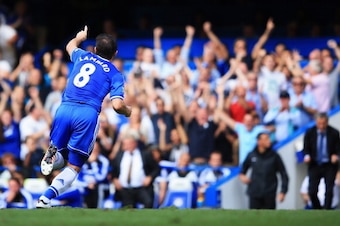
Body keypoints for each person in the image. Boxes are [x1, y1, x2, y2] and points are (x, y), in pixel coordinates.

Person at [36, 25, 132, 208]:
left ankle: (52, 154)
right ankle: (45, 198)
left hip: (64, 108)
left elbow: (69, 46)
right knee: (74, 165)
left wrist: (80, 37)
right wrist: (128, 111)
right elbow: (117, 105)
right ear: (115, 53)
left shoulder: (83, 56)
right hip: (87, 113)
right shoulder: (115, 73)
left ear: (95, 49)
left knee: (60, 155)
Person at [239, 132, 289, 209]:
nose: (269, 141)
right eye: (266, 139)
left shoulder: (274, 156)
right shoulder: (252, 155)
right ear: (259, 141)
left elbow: (283, 174)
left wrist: (283, 191)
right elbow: (243, 169)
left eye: (269, 139)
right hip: (254, 193)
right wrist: (242, 176)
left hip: (270, 194)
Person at [111, 131, 160, 208]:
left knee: (148, 203)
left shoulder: (145, 155)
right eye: (124, 143)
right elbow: (113, 171)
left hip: (142, 188)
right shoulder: (119, 156)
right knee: (127, 209)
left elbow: (156, 168)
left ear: (134, 143)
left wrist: (150, 177)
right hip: (125, 189)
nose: (125, 146)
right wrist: (115, 180)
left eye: (128, 144)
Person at [302, 112, 340, 209]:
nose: (322, 126)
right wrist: (307, 156)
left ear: (327, 122)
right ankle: (318, 209)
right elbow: (306, 148)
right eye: (319, 123)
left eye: (323, 123)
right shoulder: (310, 133)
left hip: (329, 165)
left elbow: (338, 149)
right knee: (312, 190)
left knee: (329, 189)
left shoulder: (334, 133)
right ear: (316, 122)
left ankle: (327, 210)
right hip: (315, 164)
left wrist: (336, 156)